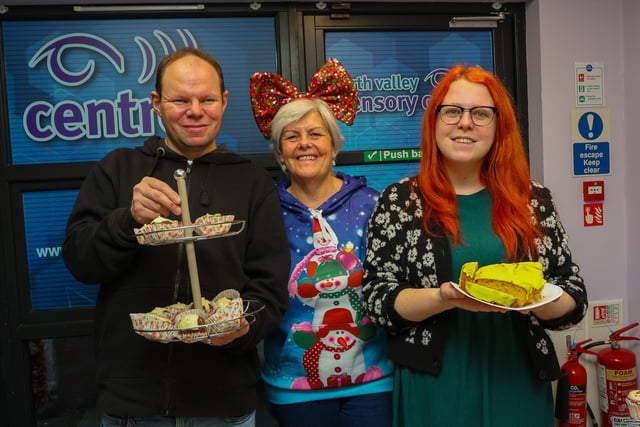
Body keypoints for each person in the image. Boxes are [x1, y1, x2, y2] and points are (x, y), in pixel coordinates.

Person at [62, 47, 290, 427]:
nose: (196, 111)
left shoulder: (252, 181)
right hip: (132, 405)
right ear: (156, 102)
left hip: (224, 403)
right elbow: (80, 261)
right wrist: (127, 221)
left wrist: (240, 329)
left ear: (224, 100)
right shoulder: (118, 169)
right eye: (180, 100)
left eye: (207, 99)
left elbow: (269, 288)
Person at [361, 65, 588, 427]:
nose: (465, 123)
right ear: (434, 121)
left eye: (481, 113)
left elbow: (572, 294)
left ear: (500, 126)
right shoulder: (400, 201)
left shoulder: (533, 199)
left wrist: (538, 298)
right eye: (452, 111)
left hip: (518, 376)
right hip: (434, 384)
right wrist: (442, 297)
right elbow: (378, 299)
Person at [249, 59, 393, 427]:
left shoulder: (373, 203)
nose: (305, 144)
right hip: (292, 386)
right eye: (291, 137)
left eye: (315, 134)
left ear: (334, 146)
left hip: (371, 383)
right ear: (280, 153)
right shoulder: (264, 211)